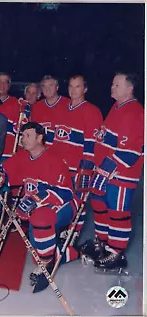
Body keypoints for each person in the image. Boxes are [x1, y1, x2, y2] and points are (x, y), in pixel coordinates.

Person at [0, 122, 78, 293]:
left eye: (27, 135)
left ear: (39, 137)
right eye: (22, 135)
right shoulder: (22, 156)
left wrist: (37, 198)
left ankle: (46, 265)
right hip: (36, 209)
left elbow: (66, 192)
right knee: (38, 245)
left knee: (40, 221)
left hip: (64, 205)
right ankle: (71, 252)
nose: (22, 139)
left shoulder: (54, 159)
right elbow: (4, 169)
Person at [78, 72, 144, 272]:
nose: (112, 87)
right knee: (100, 208)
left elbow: (133, 148)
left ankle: (116, 252)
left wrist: (107, 169)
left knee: (117, 213)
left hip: (121, 175)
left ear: (129, 88)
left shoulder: (135, 112)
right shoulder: (117, 108)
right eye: (112, 84)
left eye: (116, 85)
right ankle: (103, 245)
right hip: (105, 172)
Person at [49, 75, 103, 245]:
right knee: (62, 199)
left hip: (77, 168)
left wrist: (86, 167)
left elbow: (91, 144)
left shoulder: (91, 111)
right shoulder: (62, 108)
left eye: (77, 86)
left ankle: (74, 233)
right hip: (60, 167)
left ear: (85, 89)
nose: (73, 90)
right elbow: (53, 138)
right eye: (71, 86)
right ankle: (64, 230)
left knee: (78, 201)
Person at [0, 72, 30, 161]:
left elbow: (22, 132)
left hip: (8, 155)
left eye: (5, 82)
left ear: (9, 85)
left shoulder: (17, 105)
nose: (2, 85)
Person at [30, 75, 71, 145]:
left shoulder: (69, 105)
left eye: (50, 85)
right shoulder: (36, 107)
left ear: (57, 87)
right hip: (42, 151)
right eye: (44, 86)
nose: (47, 89)